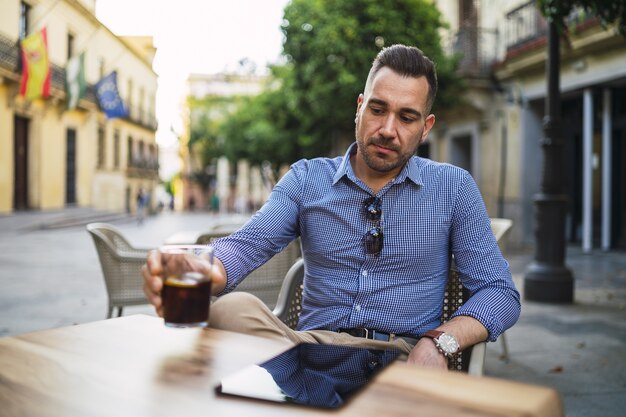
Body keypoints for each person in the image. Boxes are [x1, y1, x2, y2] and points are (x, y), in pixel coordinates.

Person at [143, 44, 520, 370]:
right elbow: (246, 245)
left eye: (406, 117)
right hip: (306, 350)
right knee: (230, 308)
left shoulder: (453, 187)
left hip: (396, 357)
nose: (388, 128)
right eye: (377, 109)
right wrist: (199, 266)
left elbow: (499, 293)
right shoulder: (307, 179)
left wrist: (440, 342)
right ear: (359, 108)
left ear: (426, 127)